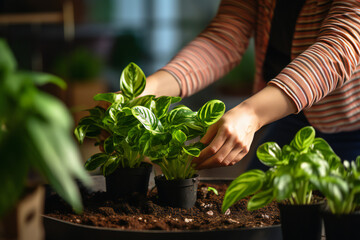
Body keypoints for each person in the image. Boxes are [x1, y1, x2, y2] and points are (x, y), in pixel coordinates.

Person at [139, 0, 360, 170]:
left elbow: (341, 46)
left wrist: (252, 113)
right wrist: (147, 90)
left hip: (352, 121)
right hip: (291, 115)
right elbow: (224, 39)